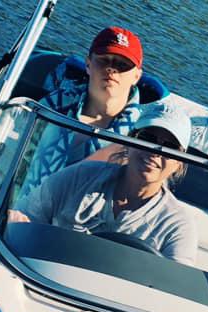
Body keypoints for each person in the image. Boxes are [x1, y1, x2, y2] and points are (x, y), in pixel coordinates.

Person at [7, 102, 199, 266]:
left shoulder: (178, 227)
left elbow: (173, 287)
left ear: (179, 163)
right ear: (130, 141)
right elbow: (26, 215)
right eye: (148, 138)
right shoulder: (80, 176)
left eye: (170, 147)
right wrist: (17, 221)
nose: (155, 152)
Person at [23, 26, 152, 190]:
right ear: (88, 64)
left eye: (122, 64)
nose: (111, 69)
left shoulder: (142, 133)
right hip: (28, 200)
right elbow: (19, 153)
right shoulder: (56, 104)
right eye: (104, 60)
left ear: (136, 76)